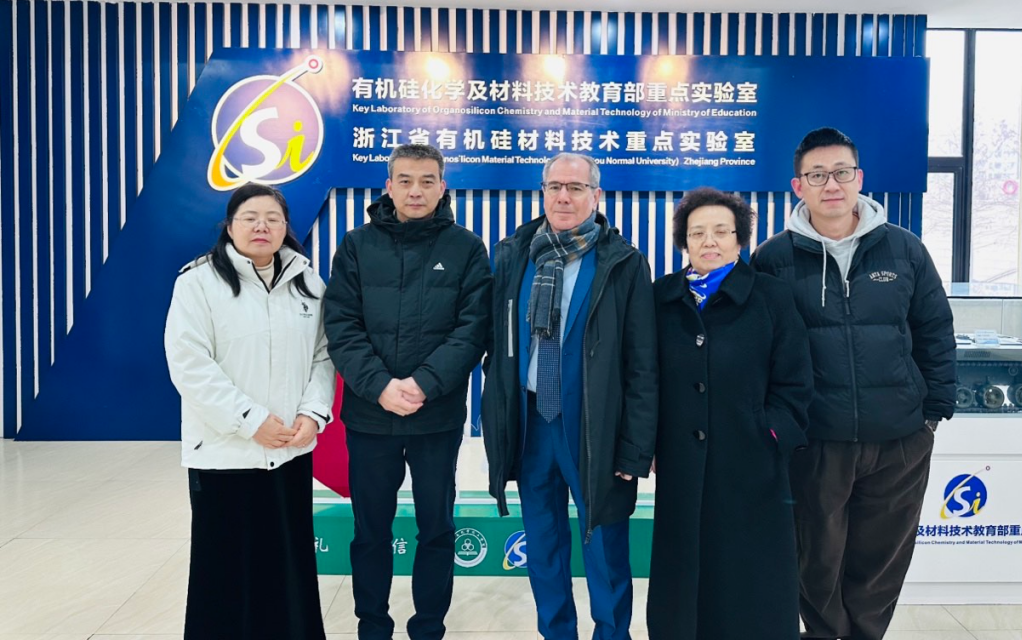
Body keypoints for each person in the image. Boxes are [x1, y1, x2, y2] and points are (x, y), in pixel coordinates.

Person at [750, 127, 956, 640]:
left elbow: (934, 330)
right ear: (798, 186)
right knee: (815, 555)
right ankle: (824, 634)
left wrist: (933, 414)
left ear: (859, 178)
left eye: (841, 172)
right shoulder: (774, 259)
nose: (832, 185)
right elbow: (760, 351)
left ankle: (865, 634)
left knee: (881, 556)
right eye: (817, 175)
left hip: (899, 437)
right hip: (815, 438)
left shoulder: (904, 250)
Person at [481, 152, 658, 640]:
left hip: (596, 428)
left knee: (605, 546)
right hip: (532, 424)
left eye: (576, 188)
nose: (564, 196)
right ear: (542, 192)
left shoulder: (623, 263)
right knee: (543, 546)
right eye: (555, 186)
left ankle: (611, 634)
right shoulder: (514, 255)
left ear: (595, 196)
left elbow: (642, 363)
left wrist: (635, 447)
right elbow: (497, 343)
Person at [324, 143, 492, 640]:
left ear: (442, 187)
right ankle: (372, 626)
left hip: (436, 416)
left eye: (426, 181)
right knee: (370, 531)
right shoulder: (356, 245)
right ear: (389, 187)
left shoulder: (466, 248)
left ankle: (428, 627)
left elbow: (473, 329)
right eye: (405, 180)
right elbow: (341, 325)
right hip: (369, 416)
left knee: (436, 529)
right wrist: (379, 386)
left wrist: (423, 384)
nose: (415, 190)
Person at [164, 182, 335, 640]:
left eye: (273, 219)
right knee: (224, 570)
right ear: (230, 225)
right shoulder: (198, 283)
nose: (262, 226)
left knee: (287, 564)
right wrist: (251, 421)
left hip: (290, 449)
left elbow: (324, 356)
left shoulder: (308, 283)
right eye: (250, 217)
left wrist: (313, 413)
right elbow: (189, 363)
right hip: (225, 452)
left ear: (285, 227)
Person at [647, 187, 812, 640]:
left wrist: (771, 434)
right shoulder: (661, 297)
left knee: (749, 575)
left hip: (752, 461)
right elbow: (644, 377)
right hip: (681, 463)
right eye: (697, 232)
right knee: (685, 572)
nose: (709, 241)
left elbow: (796, 381)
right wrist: (649, 443)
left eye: (721, 231)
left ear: (739, 238)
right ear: (683, 241)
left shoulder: (771, 296)